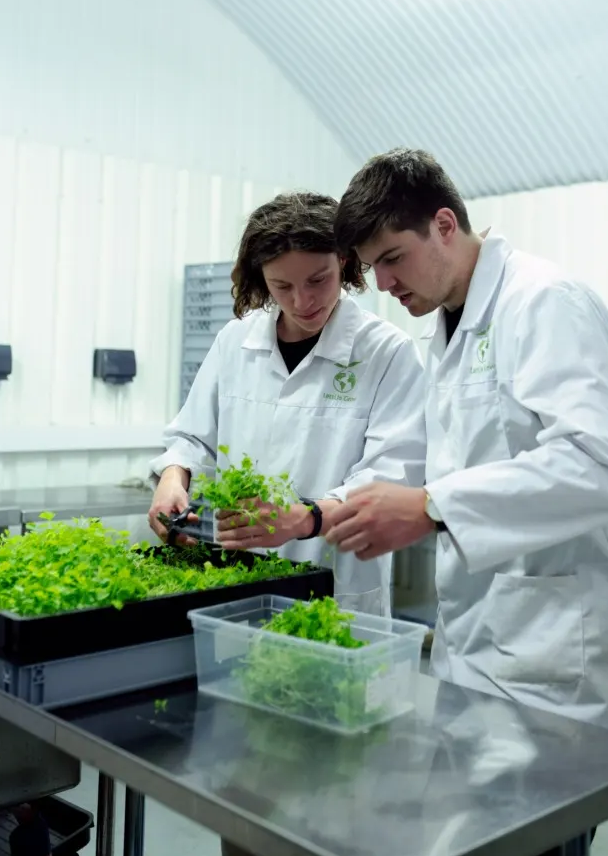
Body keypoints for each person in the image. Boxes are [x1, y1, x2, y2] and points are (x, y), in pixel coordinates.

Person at [326, 147, 608, 743]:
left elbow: (605, 466)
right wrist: (316, 513)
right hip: (477, 644)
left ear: (445, 226)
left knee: (546, 835)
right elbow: (466, 459)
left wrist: (432, 506)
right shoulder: (447, 330)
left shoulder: (544, 302)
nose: (382, 284)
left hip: (559, 663)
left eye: (392, 258)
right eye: (372, 267)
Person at [147, 190, 426, 615]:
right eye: (282, 286)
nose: (302, 301)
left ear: (345, 263)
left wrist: (309, 517)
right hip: (234, 575)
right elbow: (193, 436)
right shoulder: (235, 341)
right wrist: (173, 476)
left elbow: (392, 474)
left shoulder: (387, 351)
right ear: (262, 279)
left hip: (336, 584)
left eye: (318, 280)